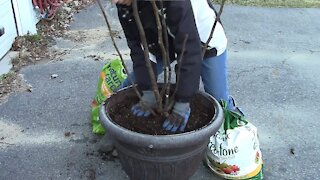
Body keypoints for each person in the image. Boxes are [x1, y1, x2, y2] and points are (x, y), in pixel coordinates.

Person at [111, 0, 239, 133]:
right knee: (133, 83)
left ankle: (238, 128)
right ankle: (114, 131)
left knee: (220, 101)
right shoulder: (125, 6)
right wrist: (147, 89)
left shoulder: (175, 3)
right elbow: (137, 46)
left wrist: (183, 101)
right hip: (164, 42)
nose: (114, 1)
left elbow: (189, 49)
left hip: (204, 42)